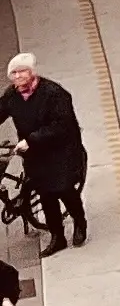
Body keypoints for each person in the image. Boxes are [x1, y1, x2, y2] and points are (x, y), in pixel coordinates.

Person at [4, 57, 83, 249]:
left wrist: (31, 140)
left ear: (32, 72)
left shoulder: (54, 94)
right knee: (46, 195)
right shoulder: (12, 96)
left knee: (64, 190)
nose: (18, 76)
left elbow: (62, 126)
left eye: (22, 71)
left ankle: (80, 223)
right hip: (35, 154)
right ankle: (58, 237)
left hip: (60, 151)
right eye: (14, 73)